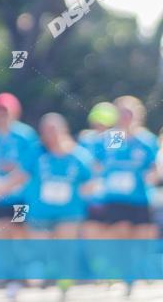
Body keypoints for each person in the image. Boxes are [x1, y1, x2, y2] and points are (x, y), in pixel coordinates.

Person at [93, 96, 158, 239]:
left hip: (139, 199)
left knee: (141, 242)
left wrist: (152, 177)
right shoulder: (113, 137)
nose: (125, 117)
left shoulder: (146, 140)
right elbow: (100, 164)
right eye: (122, 113)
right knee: (118, 239)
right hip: (115, 199)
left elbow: (154, 169)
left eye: (129, 113)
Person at [0, 92, 39, 237]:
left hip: (20, 196)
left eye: (5, 111)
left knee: (20, 234)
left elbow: (29, 167)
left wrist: (7, 183)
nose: (1, 115)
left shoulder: (26, 135)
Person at [27, 113, 94, 239]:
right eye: (45, 130)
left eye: (53, 129)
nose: (50, 134)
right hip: (40, 214)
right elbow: (20, 175)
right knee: (39, 255)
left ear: (64, 129)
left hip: (69, 215)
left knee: (64, 254)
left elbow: (92, 180)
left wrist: (87, 190)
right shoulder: (36, 153)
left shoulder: (79, 155)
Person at [78, 101, 118, 238]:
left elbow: (113, 163)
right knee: (90, 233)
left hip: (110, 195)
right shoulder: (86, 138)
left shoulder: (115, 137)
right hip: (90, 196)